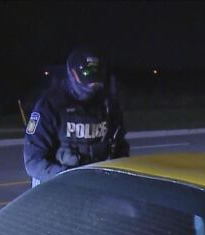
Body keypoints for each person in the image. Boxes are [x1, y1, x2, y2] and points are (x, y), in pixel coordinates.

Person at [24, 47, 129, 187]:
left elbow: (120, 147)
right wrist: (70, 179)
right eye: (87, 74)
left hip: (97, 185)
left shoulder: (108, 105)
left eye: (97, 77)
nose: (92, 86)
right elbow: (34, 161)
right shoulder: (49, 106)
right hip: (57, 187)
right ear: (72, 74)